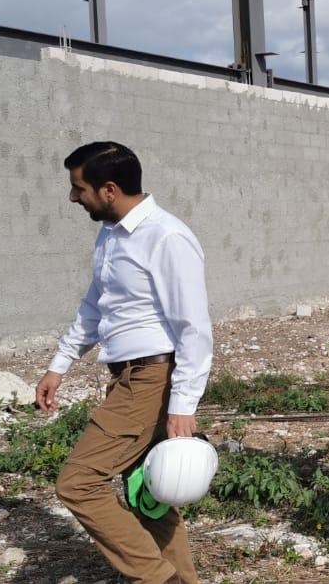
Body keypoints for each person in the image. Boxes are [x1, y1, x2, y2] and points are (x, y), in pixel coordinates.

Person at [37, 141, 213, 584]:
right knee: (147, 494)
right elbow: (95, 307)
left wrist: (183, 405)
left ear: (109, 189)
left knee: (78, 483)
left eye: (80, 189)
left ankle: (157, 578)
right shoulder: (111, 235)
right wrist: (60, 364)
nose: (74, 198)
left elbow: (194, 327)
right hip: (128, 377)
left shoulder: (166, 237)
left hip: (151, 378)